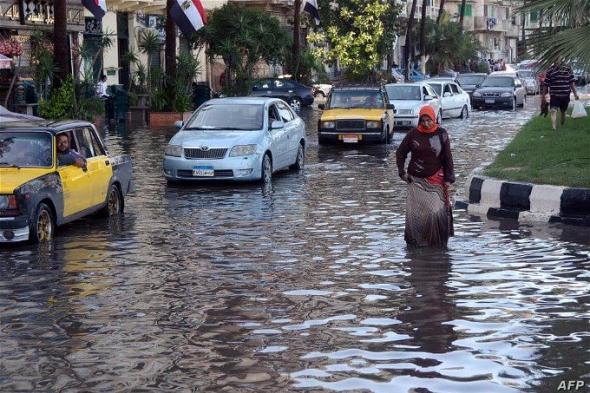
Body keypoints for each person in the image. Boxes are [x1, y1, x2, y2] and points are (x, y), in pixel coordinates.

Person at [396, 105, 455, 248]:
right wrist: (402, 173)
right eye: (423, 120)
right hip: (415, 181)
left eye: (429, 120)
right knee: (417, 213)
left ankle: (436, 242)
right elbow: (400, 153)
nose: (426, 123)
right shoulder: (413, 134)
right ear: (420, 120)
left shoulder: (442, 134)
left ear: (434, 119)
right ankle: (418, 242)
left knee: (435, 211)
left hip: (436, 179)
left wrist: (448, 179)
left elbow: (447, 157)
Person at [542, 60, 580, 130]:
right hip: (554, 95)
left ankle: (562, 123)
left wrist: (575, 94)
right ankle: (554, 127)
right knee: (553, 110)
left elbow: (571, 83)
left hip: (565, 95)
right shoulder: (550, 70)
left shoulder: (568, 68)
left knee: (563, 111)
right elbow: (545, 84)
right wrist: (543, 97)